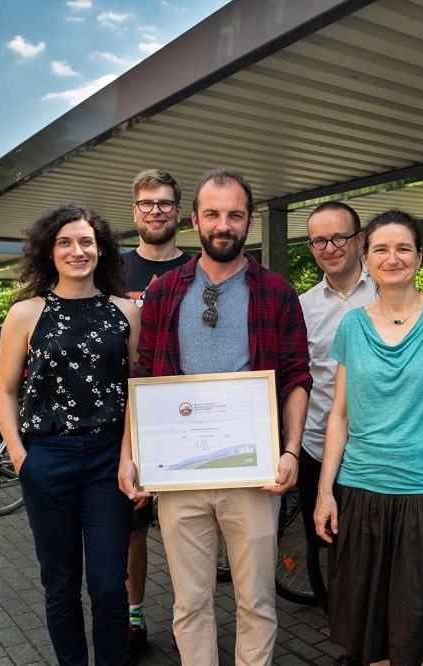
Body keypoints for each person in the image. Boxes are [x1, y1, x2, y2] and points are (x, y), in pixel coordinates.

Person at [118, 167, 312, 665]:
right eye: (213, 214)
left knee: (257, 602)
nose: (223, 225)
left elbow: (296, 377)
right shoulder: (165, 292)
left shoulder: (276, 291)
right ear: (195, 220)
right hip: (179, 476)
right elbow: (144, 376)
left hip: (253, 474)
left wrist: (291, 451)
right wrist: (129, 455)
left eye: (234, 215)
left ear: (249, 220)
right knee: (189, 604)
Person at [313, 209, 423, 666]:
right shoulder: (352, 325)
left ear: (419, 257)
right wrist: (325, 493)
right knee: (373, 638)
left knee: (420, 637)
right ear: (366, 258)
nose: (392, 257)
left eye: (403, 248)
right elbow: (339, 414)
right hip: (361, 494)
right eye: (381, 249)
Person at [0, 203, 140, 666]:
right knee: (59, 584)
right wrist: (21, 458)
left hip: (108, 460)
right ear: (49, 251)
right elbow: (5, 390)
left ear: (101, 250)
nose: (77, 251)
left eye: (86, 242)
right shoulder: (25, 313)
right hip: (47, 458)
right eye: (65, 242)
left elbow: (137, 392)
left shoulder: (126, 311)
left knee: (108, 585)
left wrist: (130, 456)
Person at [121, 169, 189, 660]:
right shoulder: (112, 271)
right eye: (147, 203)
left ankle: (193, 616)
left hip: (187, 415)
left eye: (164, 203)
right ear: (135, 211)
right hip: (130, 411)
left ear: (179, 212)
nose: (156, 211)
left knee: (191, 524)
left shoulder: (199, 268)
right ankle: (134, 618)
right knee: (133, 525)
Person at [297, 201, 377, 568]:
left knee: (374, 553)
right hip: (317, 449)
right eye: (320, 241)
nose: (329, 248)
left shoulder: (387, 294)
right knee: (329, 552)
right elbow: (297, 378)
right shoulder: (302, 307)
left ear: (359, 240)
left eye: (339, 238)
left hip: (376, 452)